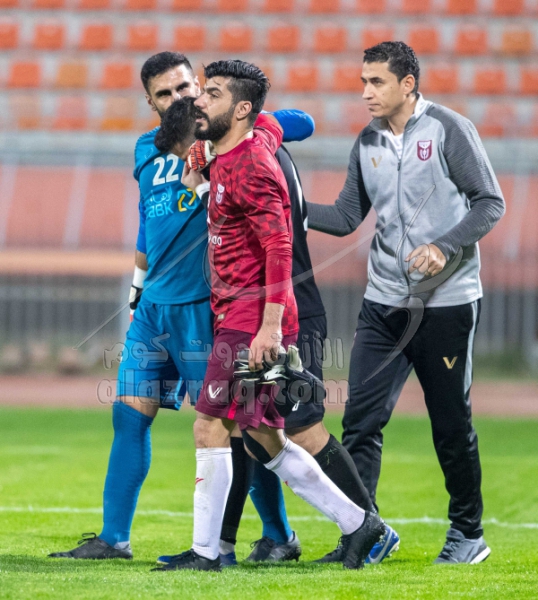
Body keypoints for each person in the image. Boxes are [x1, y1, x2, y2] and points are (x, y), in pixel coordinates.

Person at [47, 52, 312, 561]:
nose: (178, 99)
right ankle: (114, 538)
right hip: (153, 310)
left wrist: (261, 125)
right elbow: (149, 223)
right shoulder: (146, 148)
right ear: (150, 102)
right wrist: (135, 291)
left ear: (200, 86)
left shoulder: (226, 139)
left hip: (206, 309)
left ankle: (278, 536)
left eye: (185, 87)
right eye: (164, 93)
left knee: (245, 428)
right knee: (129, 418)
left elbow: (305, 121)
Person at [152, 59, 385, 573]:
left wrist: (270, 327)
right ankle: (359, 523)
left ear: (240, 110)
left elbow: (279, 247)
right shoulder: (236, 147)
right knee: (266, 438)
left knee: (210, 426)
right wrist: (199, 172)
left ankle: (207, 553)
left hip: (251, 318)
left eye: (211, 93)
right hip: (242, 314)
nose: (199, 100)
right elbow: (282, 123)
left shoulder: (253, 164)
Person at [306, 41, 505, 564]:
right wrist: (288, 205)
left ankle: (468, 535)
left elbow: (490, 202)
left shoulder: (449, 129)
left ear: (408, 84)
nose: (366, 92)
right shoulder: (366, 140)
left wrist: (444, 246)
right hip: (383, 303)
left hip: (446, 305)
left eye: (377, 82)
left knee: (451, 425)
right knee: (359, 423)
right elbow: (347, 217)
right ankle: (364, 534)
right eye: (363, 82)